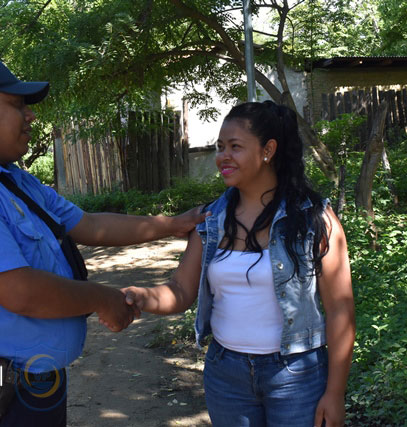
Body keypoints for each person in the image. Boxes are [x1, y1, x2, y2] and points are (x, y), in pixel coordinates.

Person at [0, 57, 207, 427]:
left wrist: (174, 224)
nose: (30, 116)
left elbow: (89, 224)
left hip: (30, 385)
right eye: (18, 104)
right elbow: (19, 291)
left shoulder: (10, 179)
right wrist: (102, 299)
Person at [121, 101, 355, 427]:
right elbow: (180, 291)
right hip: (226, 375)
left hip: (297, 375)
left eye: (235, 147)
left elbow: (340, 310)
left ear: (267, 150)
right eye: (220, 147)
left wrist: (335, 392)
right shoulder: (210, 220)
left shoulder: (314, 219)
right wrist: (141, 297)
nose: (223, 156)